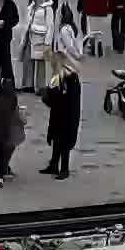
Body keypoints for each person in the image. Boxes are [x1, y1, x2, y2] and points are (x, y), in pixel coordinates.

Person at [40, 48, 81, 180]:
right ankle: (54, 165)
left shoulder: (66, 78)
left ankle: (64, 169)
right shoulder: (64, 76)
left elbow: (57, 97)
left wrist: (48, 95)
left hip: (66, 115)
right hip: (61, 114)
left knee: (63, 142)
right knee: (57, 141)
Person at [20, 0, 56, 93]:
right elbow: (26, 22)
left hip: (41, 37)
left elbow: (50, 25)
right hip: (30, 36)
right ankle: (28, 85)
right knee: (28, 60)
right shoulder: (30, 7)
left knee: (40, 62)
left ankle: (41, 87)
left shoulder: (47, 8)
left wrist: (47, 42)